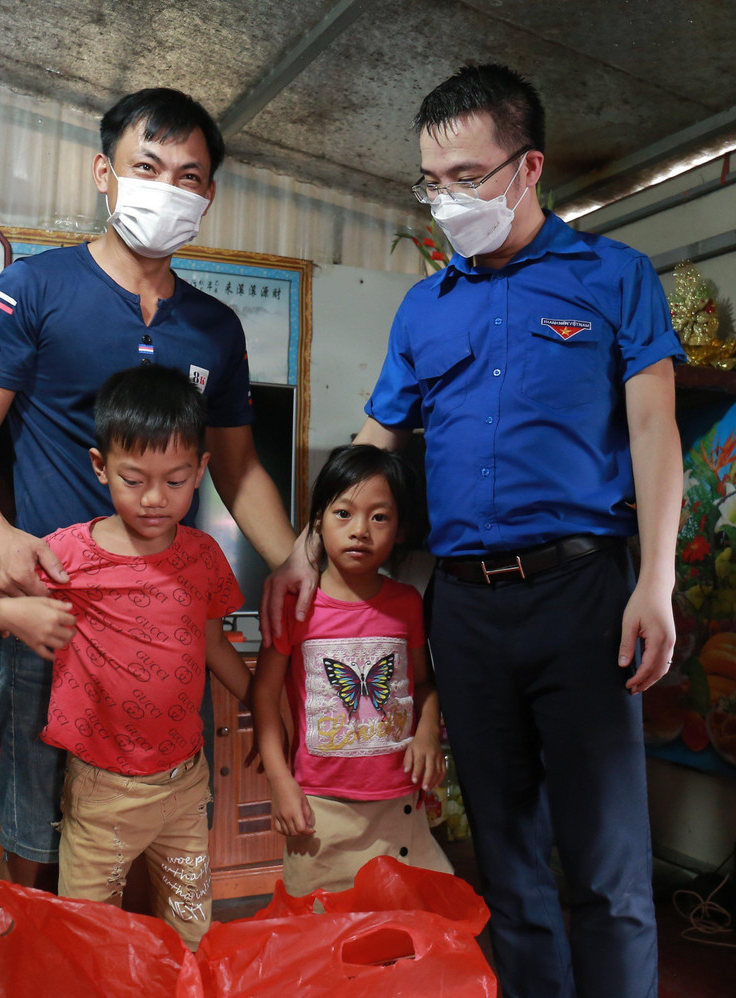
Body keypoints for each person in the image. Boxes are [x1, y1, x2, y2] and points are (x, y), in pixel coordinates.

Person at [264, 65, 683, 998]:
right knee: (507, 855)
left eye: (468, 175)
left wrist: (654, 580)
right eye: (432, 180)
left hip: (584, 597)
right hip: (466, 610)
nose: (448, 199)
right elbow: (374, 443)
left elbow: (656, 433)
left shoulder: (613, 278)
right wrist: (301, 552)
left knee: (607, 863)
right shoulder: (427, 306)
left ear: (528, 167)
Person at [0, 88, 295, 891]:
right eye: (148, 165)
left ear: (207, 194)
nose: (168, 187)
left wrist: (296, 564)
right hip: (54, 607)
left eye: (189, 175)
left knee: (159, 827)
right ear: (106, 172)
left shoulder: (214, 328)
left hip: (168, 623)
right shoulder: (32, 289)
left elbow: (237, 468)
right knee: (35, 826)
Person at [0, 364, 254, 949]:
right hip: (101, 793)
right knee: (87, 937)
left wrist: (266, 708)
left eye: (175, 480)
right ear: (100, 467)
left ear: (202, 472)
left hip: (185, 790)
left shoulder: (204, 555)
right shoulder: (68, 553)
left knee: (191, 931)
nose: (154, 499)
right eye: (134, 478)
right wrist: (8, 613)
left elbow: (214, 643)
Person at [253, 444, 451, 896]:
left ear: (400, 529)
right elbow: (264, 696)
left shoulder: (406, 604)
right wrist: (281, 783)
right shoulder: (294, 605)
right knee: (324, 941)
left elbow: (423, 683)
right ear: (317, 520)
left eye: (379, 517)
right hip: (321, 809)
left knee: (403, 932)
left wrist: (426, 733)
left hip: (400, 803)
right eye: (344, 513)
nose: (360, 530)